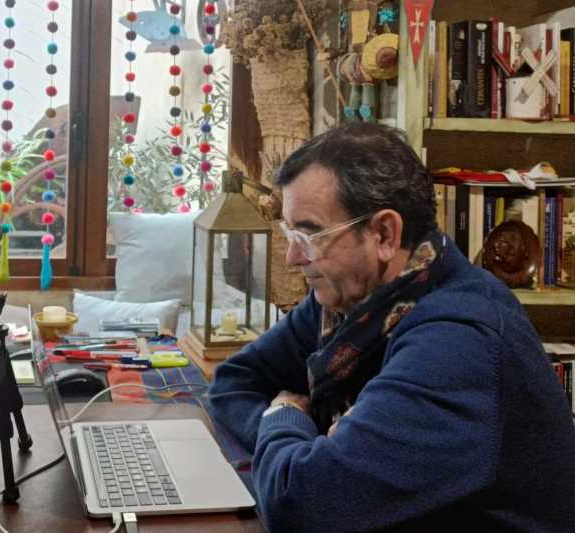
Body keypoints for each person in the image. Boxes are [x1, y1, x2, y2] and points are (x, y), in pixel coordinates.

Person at [208, 123, 575, 532]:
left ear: (384, 234)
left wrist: (283, 419)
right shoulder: (347, 300)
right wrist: (308, 445)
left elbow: (299, 506)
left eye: (309, 235)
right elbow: (233, 383)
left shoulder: (459, 343)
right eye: (288, 232)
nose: (293, 256)